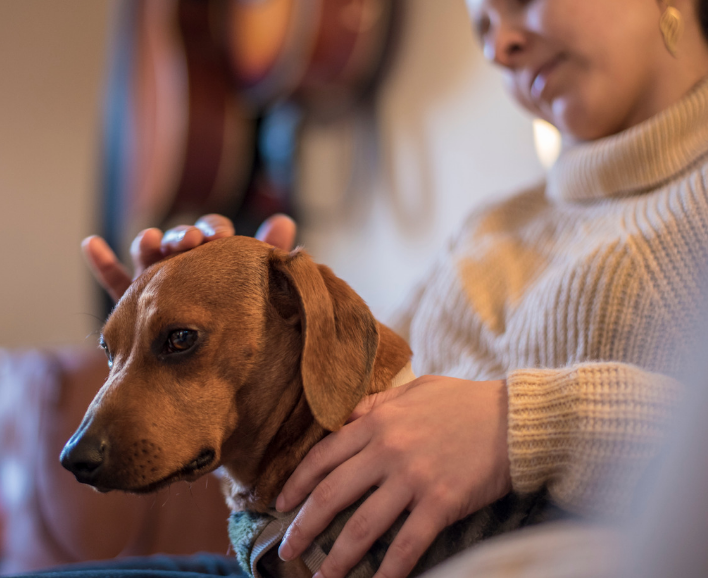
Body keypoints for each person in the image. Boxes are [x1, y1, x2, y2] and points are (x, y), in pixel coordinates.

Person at [69, 1, 708, 577]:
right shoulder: (493, 226)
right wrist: (200, 337)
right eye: (481, 24)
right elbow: (338, 422)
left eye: (520, 1)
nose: (498, 44)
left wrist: (517, 426)